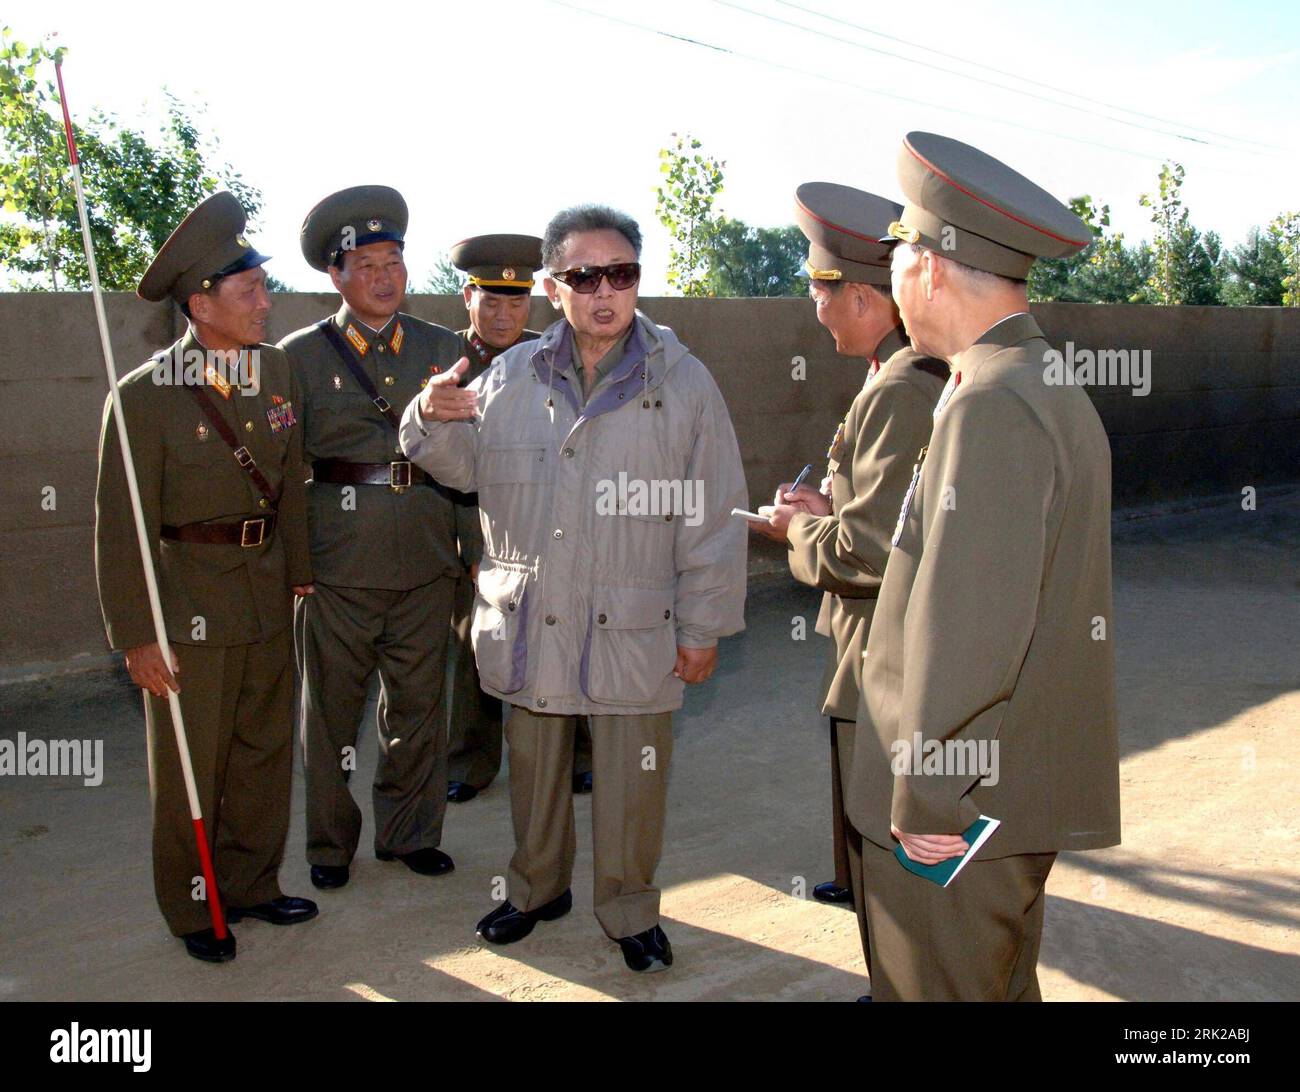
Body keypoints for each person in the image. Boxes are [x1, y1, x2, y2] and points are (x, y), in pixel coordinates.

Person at [399, 204, 748, 971]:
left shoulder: (682, 382)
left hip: (634, 621)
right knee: (535, 773)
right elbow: (461, 471)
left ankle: (628, 911)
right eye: (585, 275)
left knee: (633, 787)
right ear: (554, 286)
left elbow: (714, 512)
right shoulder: (511, 376)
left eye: (620, 274)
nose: (605, 291)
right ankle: (534, 889)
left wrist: (701, 627)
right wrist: (428, 418)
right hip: (534, 615)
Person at [848, 132, 1121, 1001]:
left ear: (926, 268)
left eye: (895, 257)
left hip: (956, 810)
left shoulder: (993, 404)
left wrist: (927, 797)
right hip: (1000, 792)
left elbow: (969, 634)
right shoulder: (1030, 379)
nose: (893, 280)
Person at [95, 192, 317, 963]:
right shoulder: (144, 398)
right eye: (249, 288)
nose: (266, 299)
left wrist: (303, 574)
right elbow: (121, 529)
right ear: (201, 303)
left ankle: (253, 884)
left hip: (266, 591)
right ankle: (196, 909)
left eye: (264, 283)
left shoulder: (279, 368)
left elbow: (290, 481)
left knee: (261, 751)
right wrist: (136, 636)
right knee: (195, 764)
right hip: (188, 606)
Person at [750, 183, 946, 936]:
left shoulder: (900, 387)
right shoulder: (890, 375)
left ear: (862, 296)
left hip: (882, 641)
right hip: (868, 634)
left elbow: (868, 552)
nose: (815, 307)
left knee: (886, 815)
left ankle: (897, 968)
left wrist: (794, 534)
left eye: (819, 290)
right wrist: (827, 511)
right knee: (864, 807)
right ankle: (869, 908)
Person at [279, 186, 463, 892]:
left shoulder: (442, 349)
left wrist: (467, 555)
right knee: (328, 717)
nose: (385, 276)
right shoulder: (298, 357)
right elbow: (284, 472)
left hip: (424, 558)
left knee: (419, 710)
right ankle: (329, 846)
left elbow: (472, 460)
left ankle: (410, 834)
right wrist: (297, 565)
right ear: (336, 275)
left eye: (394, 261)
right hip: (338, 569)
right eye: (367, 264)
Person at [442, 234, 593, 803]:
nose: (505, 314)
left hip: (540, 533)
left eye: (517, 300)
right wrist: (469, 550)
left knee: (561, 641)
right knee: (472, 651)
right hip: (467, 536)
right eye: (492, 300)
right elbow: (444, 465)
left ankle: (577, 753)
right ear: (468, 298)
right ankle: (470, 762)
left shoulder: (553, 359)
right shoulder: (447, 364)